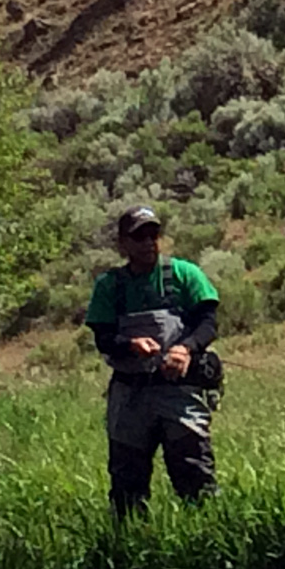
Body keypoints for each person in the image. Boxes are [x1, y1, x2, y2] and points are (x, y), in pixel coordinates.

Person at [85, 205, 222, 515]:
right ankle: (130, 548)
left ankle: (208, 545)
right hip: (130, 397)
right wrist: (130, 345)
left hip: (180, 393)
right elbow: (103, 338)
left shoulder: (186, 274)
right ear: (122, 244)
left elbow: (208, 323)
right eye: (139, 236)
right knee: (126, 487)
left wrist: (184, 349)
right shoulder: (109, 286)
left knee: (196, 479)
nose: (149, 242)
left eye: (153, 234)